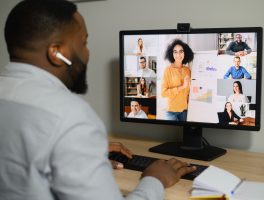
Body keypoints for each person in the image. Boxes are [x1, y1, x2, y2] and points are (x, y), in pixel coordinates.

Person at [0, 1, 196, 200]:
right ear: (56, 53)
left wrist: (80, 153)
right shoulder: (70, 117)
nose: (87, 53)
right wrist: (154, 179)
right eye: (83, 43)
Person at [161, 39, 194, 121]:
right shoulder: (168, 70)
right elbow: (163, 93)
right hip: (171, 112)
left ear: (185, 53)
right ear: (171, 54)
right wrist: (182, 87)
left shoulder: (188, 70)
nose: (178, 54)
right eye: (175, 52)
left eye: (181, 51)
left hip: (184, 111)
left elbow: (189, 92)